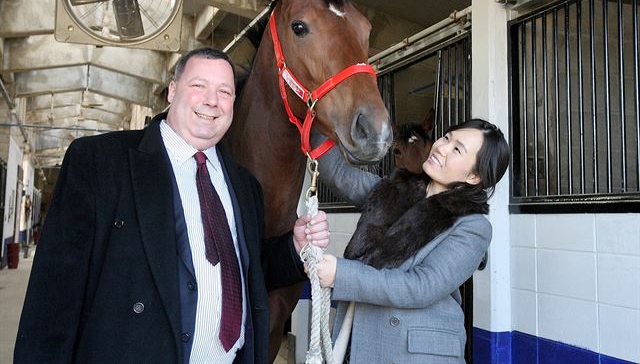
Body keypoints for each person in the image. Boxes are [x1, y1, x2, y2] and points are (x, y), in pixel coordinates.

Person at [14, 48, 330, 364]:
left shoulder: (244, 185)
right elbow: (53, 300)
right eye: (199, 86)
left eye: (224, 91)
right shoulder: (100, 162)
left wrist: (293, 246)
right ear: (172, 91)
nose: (211, 100)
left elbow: (243, 271)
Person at [315, 119, 510, 364]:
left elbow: (421, 286)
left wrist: (340, 274)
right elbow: (340, 175)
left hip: (414, 355)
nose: (441, 147)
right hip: (357, 337)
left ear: (474, 176)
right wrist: (312, 119)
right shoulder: (392, 190)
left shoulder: (473, 227)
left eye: (457, 149)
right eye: (447, 138)